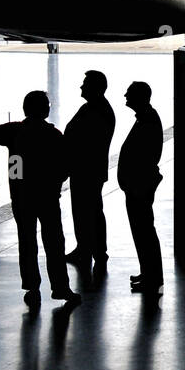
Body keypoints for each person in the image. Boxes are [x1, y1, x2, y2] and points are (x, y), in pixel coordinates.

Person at [0, 91, 80, 309]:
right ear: (45, 110)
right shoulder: (54, 135)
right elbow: (66, 166)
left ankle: (32, 287)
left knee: (27, 242)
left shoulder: (15, 131)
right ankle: (60, 287)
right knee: (54, 243)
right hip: (48, 198)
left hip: (21, 197)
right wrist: (53, 183)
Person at [63, 70, 115, 279]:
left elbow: (81, 138)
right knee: (90, 211)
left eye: (85, 84)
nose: (81, 87)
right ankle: (89, 248)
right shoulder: (97, 109)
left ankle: (90, 250)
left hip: (86, 169)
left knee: (88, 211)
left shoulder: (95, 111)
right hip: (88, 169)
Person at [119, 81, 163, 296]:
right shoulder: (147, 118)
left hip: (139, 186)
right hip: (138, 185)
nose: (125, 95)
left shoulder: (147, 121)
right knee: (144, 231)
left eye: (129, 93)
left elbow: (143, 156)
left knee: (143, 231)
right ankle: (149, 272)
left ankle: (152, 275)